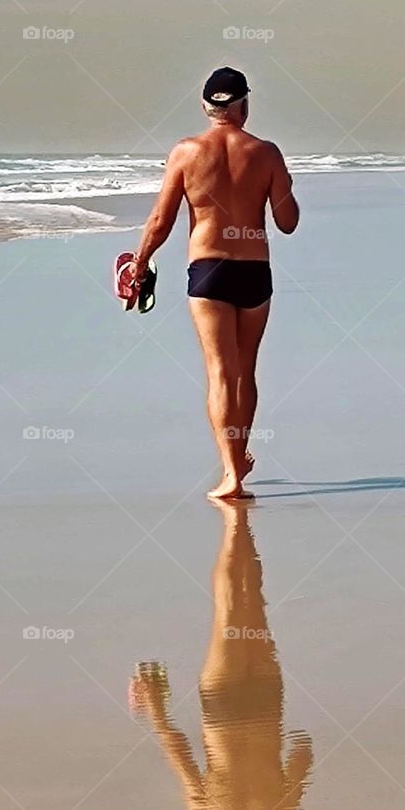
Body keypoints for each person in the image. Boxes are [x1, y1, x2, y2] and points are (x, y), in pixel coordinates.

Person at [129, 501, 312, 810]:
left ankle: (238, 528)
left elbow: (303, 754)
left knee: (251, 610)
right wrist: (156, 709)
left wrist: (298, 756)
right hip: (224, 708)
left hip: (263, 703)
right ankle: (236, 528)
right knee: (231, 611)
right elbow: (178, 752)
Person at [130, 67, 299, 500]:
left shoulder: (186, 152)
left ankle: (231, 473)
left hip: (208, 270)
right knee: (245, 371)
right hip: (254, 272)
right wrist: (283, 186)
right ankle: (239, 457)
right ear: (244, 104)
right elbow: (288, 222)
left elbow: (161, 220)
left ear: (207, 107)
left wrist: (139, 262)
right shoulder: (267, 153)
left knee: (220, 372)